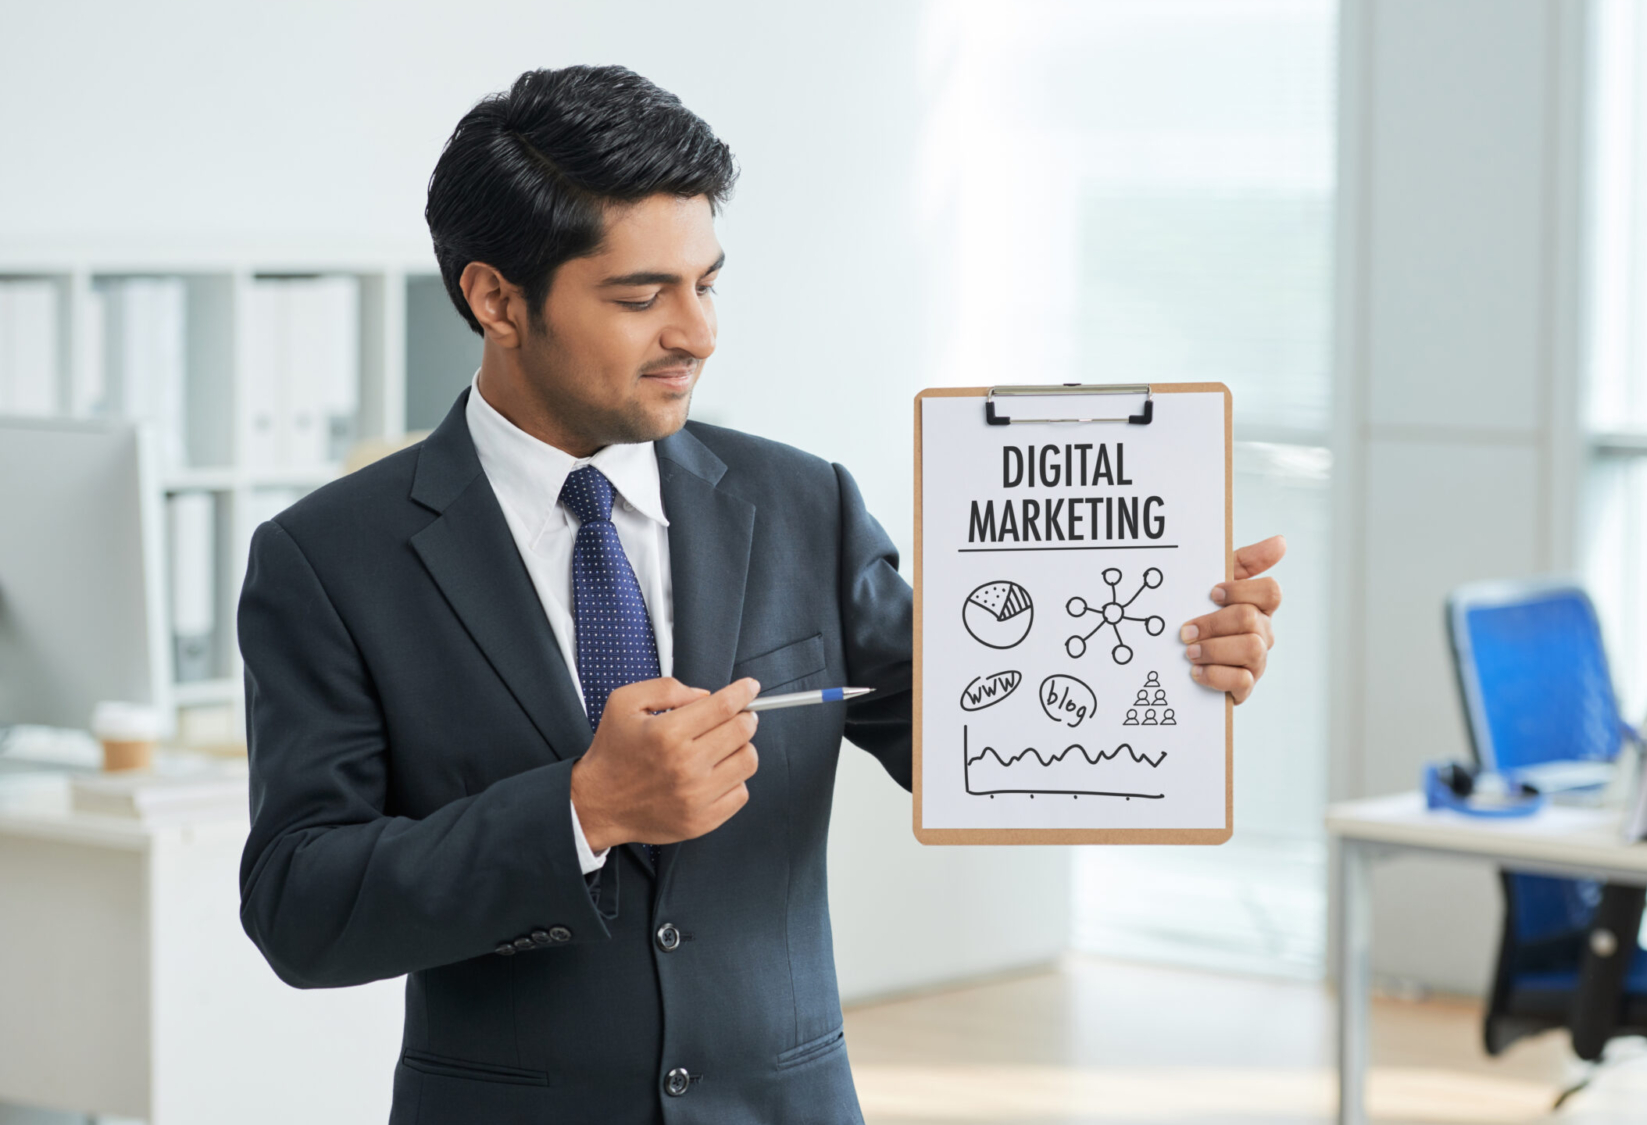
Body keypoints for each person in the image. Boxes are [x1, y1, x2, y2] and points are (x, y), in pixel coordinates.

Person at [236, 64, 1286, 1124]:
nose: (695, 332)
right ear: (495, 299)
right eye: (642, 296)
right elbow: (300, 904)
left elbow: (973, 739)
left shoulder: (802, 504)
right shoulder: (327, 560)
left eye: (705, 283)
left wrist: (1166, 663)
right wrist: (580, 810)